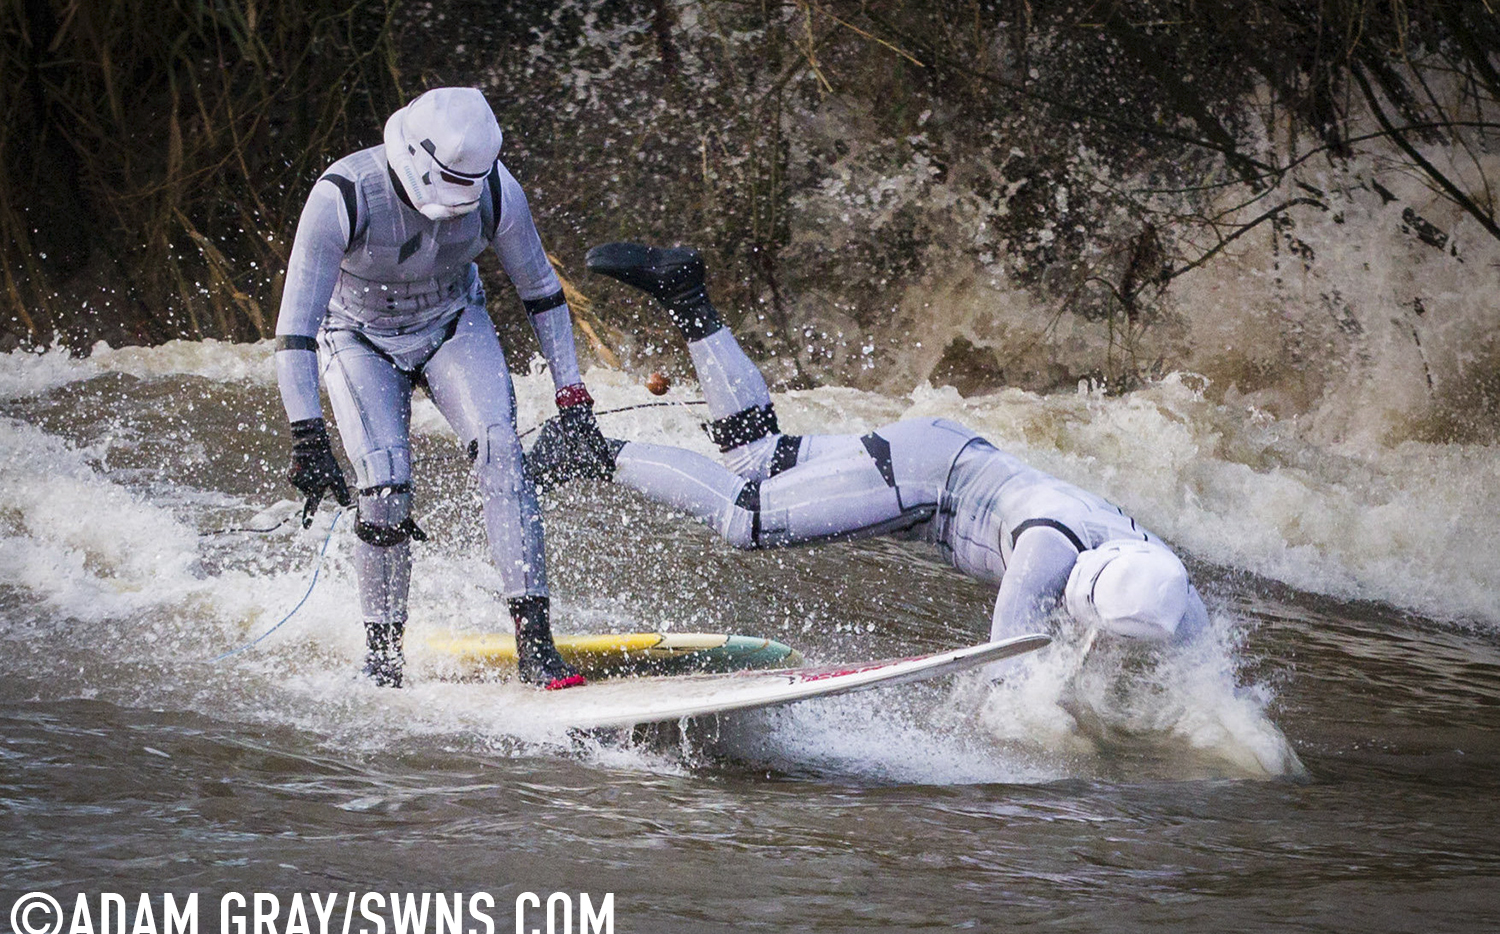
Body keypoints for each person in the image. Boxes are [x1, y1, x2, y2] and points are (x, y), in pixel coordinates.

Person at [526, 242, 1210, 649]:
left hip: (947, 455)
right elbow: (1009, 659)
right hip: (926, 479)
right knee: (746, 517)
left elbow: (1209, 672)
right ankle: (591, 449)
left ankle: (685, 294)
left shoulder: (1167, 585)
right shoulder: (1048, 551)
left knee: (758, 459)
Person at [273, 87, 609, 689]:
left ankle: (536, 646)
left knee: (503, 452)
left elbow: (542, 293)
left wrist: (574, 398)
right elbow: (295, 330)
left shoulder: (499, 191)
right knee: (384, 482)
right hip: (357, 337)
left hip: (453, 322)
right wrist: (307, 434)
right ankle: (383, 662)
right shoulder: (341, 197)